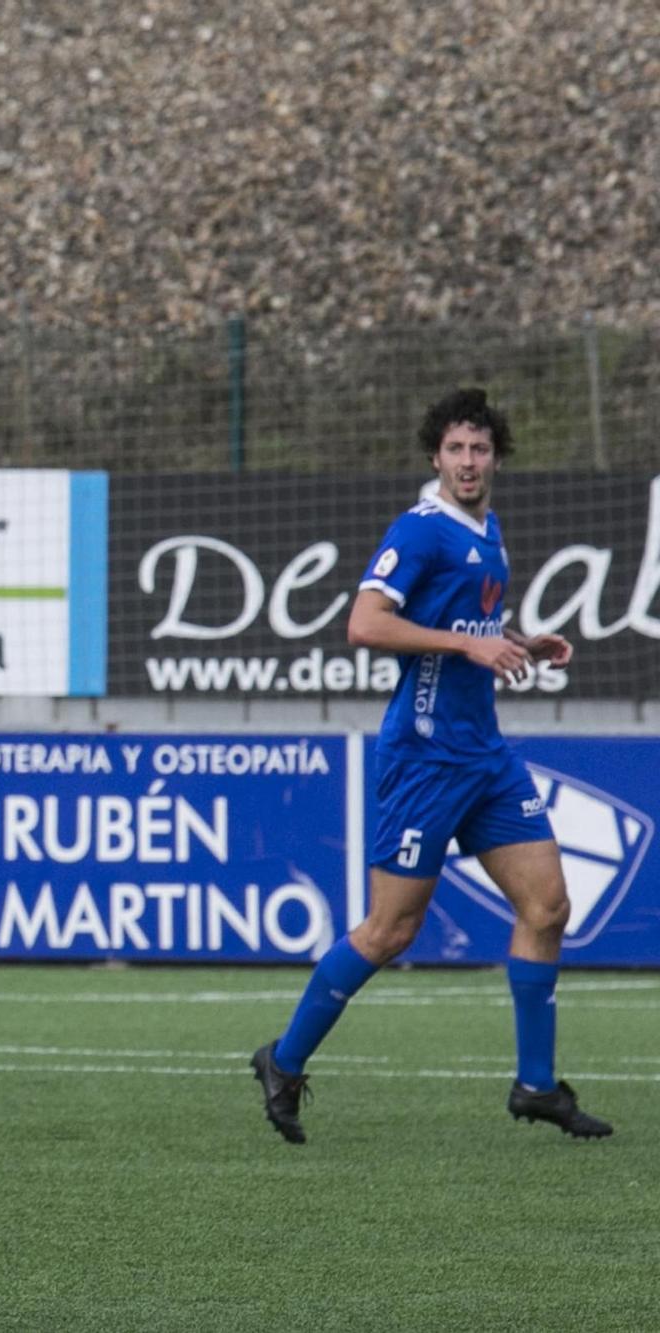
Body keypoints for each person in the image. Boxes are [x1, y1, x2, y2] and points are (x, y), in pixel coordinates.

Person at [250, 388, 611, 1143]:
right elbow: (364, 623)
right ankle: (283, 1060)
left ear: (496, 457)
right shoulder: (419, 532)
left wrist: (517, 639)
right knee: (389, 931)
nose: (469, 461)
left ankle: (536, 1086)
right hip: (423, 760)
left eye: (480, 449)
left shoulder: (488, 529)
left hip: (484, 757)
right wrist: (468, 645)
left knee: (547, 907)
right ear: (435, 456)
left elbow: (470, 623)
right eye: (456, 449)